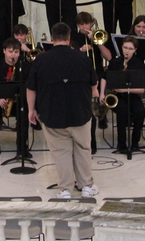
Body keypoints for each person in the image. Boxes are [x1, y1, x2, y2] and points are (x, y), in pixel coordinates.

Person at [27, 23, 99, 199]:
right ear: (69, 37)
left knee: (61, 152)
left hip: (52, 113)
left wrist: (31, 110)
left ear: (52, 39)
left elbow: (31, 88)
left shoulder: (41, 60)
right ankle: (86, 186)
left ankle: (65, 189)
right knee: (83, 149)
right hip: (80, 113)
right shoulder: (82, 58)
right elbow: (94, 86)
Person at [72, 11, 112, 152]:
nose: (84, 27)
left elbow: (109, 57)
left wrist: (97, 43)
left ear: (91, 24)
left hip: (98, 73)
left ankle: (102, 114)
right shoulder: (74, 37)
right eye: (81, 24)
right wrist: (80, 50)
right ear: (78, 25)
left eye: (87, 24)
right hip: (81, 75)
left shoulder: (98, 35)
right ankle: (90, 141)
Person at [104, 37, 145, 155]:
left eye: (130, 49)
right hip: (117, 96)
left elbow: (142, 90)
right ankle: (121, 144)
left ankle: (135, 143)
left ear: (135, 50)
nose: (127, 51)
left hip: (133, 95)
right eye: (125, 48)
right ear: (121, 47)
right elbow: (105, 77)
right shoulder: (115, 63)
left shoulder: (139, 65)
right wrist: (102, 94)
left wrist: (125, 89)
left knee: (140, 111)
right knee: (122, 111)